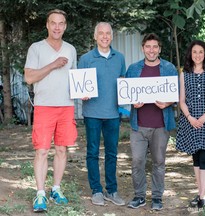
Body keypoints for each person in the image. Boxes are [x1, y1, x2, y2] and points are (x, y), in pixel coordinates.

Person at [24, 9, 78, 212]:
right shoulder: (36, 48)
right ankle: (40, 193)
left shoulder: (71, 49)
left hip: (66, 106)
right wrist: (53, 64)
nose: (57, 27)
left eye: (61, 23)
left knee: (62, 149)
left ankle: (56, 188)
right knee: (42, 150)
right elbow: (29, 77)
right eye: (53, 23)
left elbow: (75, 79)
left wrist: (84, 91)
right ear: (47, 25)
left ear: (65, 26)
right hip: (45, 106)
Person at [126, 33, 178, 211]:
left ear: (159, 49)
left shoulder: (169, 68)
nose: (151, 50)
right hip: (138, 125)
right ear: (143, 48)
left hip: (160, 125)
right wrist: (133, 101)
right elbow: (126, 92)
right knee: (137, 161)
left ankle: (157, 197)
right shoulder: (133, 69)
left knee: (159, 162)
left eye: (155, 47)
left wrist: (168, 103)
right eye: (148, 47)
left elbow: (176, 93)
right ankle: (139, 196)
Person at [78, 22, 126, 206]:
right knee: (92, 152)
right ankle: (96, 190)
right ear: (95, 36)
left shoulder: (120, 58)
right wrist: (81, 93)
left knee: (112, 153)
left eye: (108, 33)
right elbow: (79, 85)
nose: (104, 36)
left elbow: (123, 83)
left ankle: (112, 190)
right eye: (101, 33)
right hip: (92, 113)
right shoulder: (86, 58)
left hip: (113, 113)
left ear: (112, 36)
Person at [176, 40, 205, 208]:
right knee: (195, 158)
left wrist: (203, 117)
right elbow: (181, 100)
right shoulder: (184, 74)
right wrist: (189, 117)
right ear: (190, 54)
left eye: (201, 52)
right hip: (190, 121)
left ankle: (203, 197)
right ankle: (200, 194)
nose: (197, 55)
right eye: (194, 52)